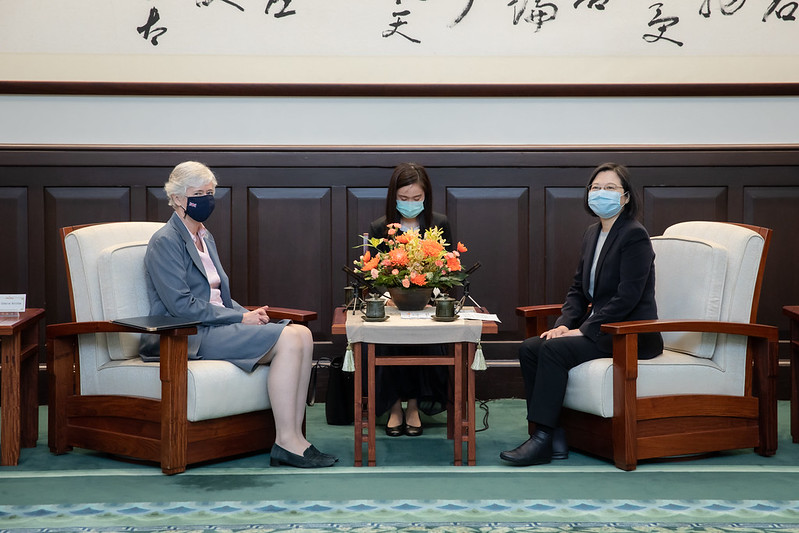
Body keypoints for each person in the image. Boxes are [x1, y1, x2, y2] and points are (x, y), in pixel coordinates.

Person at [140, 161, 336, 468]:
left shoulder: (205, 236)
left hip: (215, 325)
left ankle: (296, 438)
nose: (206, 200)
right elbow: (181, 306)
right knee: (288, 339)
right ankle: (285, 442)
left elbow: (217, 295)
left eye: (209, 193)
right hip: (189, 333)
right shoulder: (165, 241)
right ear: (177, 198)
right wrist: (239, 318)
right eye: (198, 194)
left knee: (302, 334)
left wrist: (247, 312)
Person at [500, 162, 663, 466]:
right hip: (601, 328)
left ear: (626, 197)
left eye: (610, 188)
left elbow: (627, 297)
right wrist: (564, 324)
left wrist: (585, 328)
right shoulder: (592, 234)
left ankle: (542, 439)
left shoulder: (634, 235)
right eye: (596, 187)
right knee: (531, 348)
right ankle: (554, 435)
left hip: (629, 332)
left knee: (554, 351)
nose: (602, 193)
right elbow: (578, 289)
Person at [368, 162, 453, 437]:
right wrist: (390, 297)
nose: (410, 204)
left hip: (426, 305)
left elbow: (448, 269)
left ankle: (414, 406)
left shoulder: (439, 224)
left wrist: (430, 296)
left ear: (426, 196)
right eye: (404, 198)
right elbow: (372, 273)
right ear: (394, 197)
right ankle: (394, 407)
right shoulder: (380, 227)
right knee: (388, 341)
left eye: (416, 198)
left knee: (424, 341)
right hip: (392, 305)